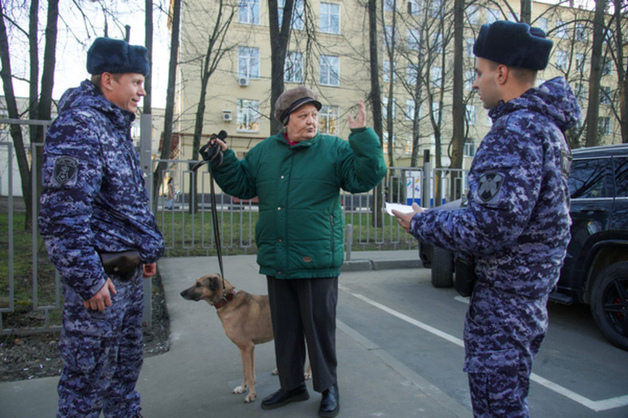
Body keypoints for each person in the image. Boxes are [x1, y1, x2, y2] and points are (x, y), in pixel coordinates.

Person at [393, 21, 581, 417]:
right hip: (527, 301)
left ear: (502, 73)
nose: (475, 84)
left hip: (505, 308)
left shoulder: (514, 132)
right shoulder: (547, 129)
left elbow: (487, 229)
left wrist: (421, 223)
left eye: (479, 73)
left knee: (499, 409)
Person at [209, 86, 386, 417]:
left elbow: (366, 176)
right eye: (303, 115)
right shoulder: (264, 153)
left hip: (317, 258)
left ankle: (328, 387)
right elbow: (243, 184)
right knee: (286, 327)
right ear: (285, 120)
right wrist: (223, 160)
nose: (311, 121)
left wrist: (362, 135)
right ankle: (291, 386)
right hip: (278, 258)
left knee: (319, 328)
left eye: (315, 115)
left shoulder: (334, 149)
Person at [38, 37, 165, 418]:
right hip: (101, 283)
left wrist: (144, 251)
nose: (142, 92)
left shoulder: (114, 126)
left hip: (124, 275)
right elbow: (62, 215)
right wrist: (87, 278)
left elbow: (118, 204)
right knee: (88, 379)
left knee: (123, 371)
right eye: (136, 82)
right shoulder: (79, 126)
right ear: (108, 80)